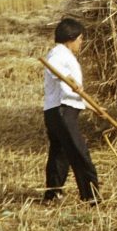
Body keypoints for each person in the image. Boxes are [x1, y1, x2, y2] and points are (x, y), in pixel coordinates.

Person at [42, 18, 100, 204]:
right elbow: (54, 70)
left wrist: (92, 107)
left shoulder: (64, 54)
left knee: (60, 153)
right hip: (62, 110)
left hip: (55, 111)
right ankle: (91, 196)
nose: (81, 43)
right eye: (80, 39)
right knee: (79, 152)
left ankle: (52, 195)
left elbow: (71, 90)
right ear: (71, 37)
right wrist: (71, 81)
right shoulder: (58, 54)